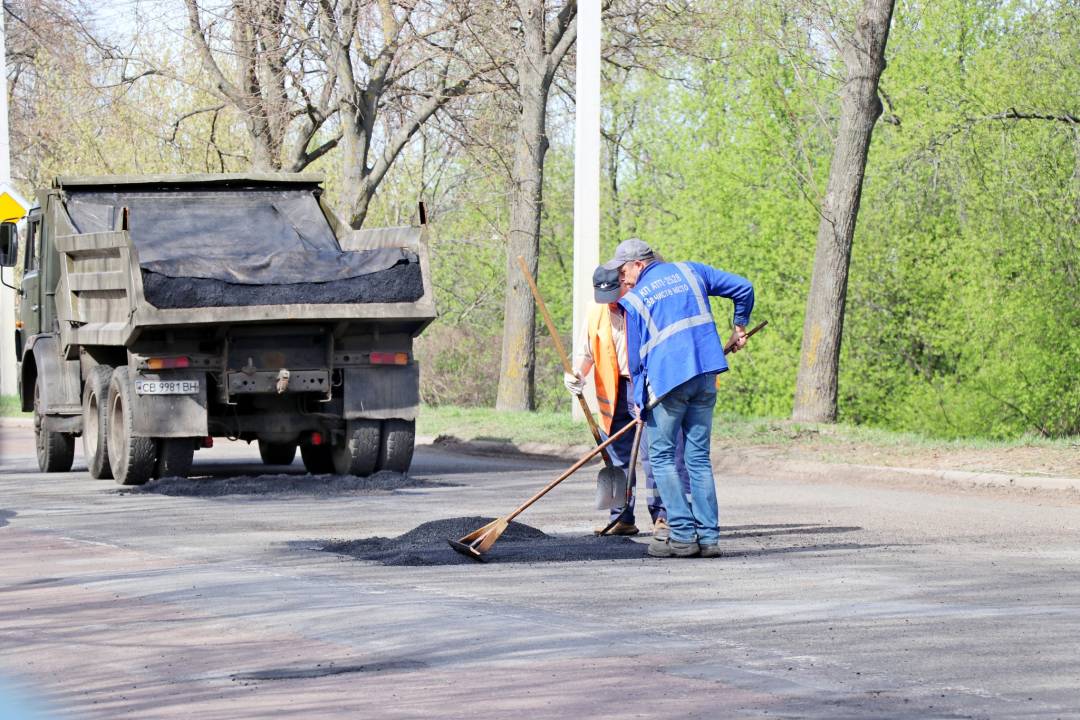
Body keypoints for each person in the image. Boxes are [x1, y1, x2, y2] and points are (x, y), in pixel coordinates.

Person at [607, 238, 754, 559]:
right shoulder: (692, 271)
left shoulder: (635, 301)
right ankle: (709, 538)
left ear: (639, 265)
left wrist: (638, 402)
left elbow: (636, 359)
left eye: (623, 271)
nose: (622, 280)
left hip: (669, 383)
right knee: (698, 458)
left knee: (660, 458)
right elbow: (744, 287)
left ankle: (683, 536)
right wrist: (738, 326)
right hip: (705, 376)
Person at [564, 265, 689, 537]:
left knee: (654, 454)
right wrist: (576, 375)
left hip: (646, 386)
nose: (609, 306)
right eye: (604, 300)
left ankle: (664, 516)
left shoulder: (642, 306)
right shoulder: (595, 310)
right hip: (615, 391)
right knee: (616, 458)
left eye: (614, 299)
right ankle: (621, 517)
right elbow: (587, 353)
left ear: (626, 286)